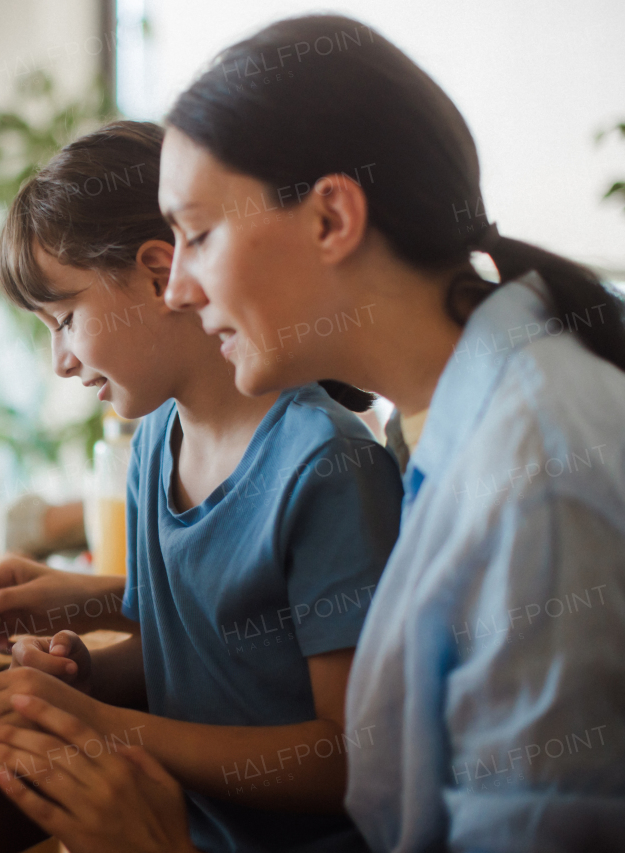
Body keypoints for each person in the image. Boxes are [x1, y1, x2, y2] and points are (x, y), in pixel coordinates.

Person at [158, 14, 625, 851]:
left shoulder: (534, 475)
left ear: (332, 216)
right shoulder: (435, 425)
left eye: (197, 234)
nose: (177, 290)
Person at [0, 120, 404, 853]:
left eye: (65, 318)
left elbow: (347, 757)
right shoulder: (157, 442)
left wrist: (108, 728)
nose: (59, 361)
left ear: (161, 277)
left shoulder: (326, 467)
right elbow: (202, 667)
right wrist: (87, 675)